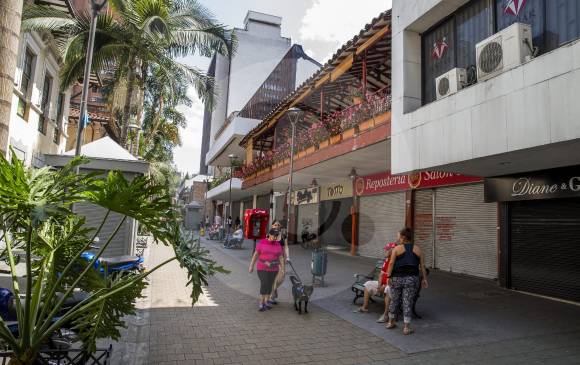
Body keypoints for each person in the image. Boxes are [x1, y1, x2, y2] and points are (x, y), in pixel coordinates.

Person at [385, 228, 428, 335]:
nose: (397, 238)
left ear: (403, 237)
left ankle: (391, 322)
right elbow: (422, 266)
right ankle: (406, 328)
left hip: (397, 278)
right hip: (412, 279)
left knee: (394, 300)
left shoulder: (396, 249)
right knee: (407, 301)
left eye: (398, 236)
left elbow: (391, 264)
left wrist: (388, 276)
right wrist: (424, 279)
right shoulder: (418, 249)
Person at [354, 242, 397, 323]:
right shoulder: (387, 260)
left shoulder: (396, 262)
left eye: (387, 250)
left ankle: (385, 315)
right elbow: (381, 274)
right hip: (383, 284)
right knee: (368, 284)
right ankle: (364, 307)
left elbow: (394, 278)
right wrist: (379, 286)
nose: (385, 252)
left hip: (391, 285)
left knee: (387, 289)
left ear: (392, 251)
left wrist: (385, 286)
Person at [249, 228, 284, 311]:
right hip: (262, 267)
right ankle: (261, 302)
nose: (275, 238)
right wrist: (251, 266)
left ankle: (266, 301)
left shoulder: (277, 245)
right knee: (264, 283)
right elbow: (256, 255)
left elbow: (281, 257)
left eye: (276, 236)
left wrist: (282, 268)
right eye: (274, 236)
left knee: (270, 284)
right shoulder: (262, 242)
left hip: (274, 268)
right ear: (269, 234)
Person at [269, 220, 287, 304]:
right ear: (272, 226)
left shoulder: (283, 235)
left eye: (278, 225)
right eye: (275, 224)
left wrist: (287, 257)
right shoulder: (269, 234)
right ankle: (272, 296)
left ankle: (274, 290)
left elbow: (286, 247)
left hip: (281, 259)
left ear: (280, 226)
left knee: (281, 277)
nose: (277, 226)